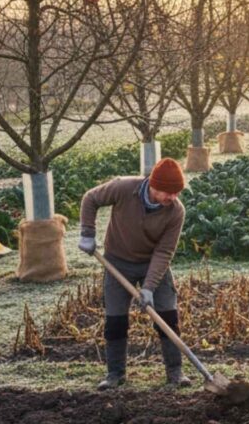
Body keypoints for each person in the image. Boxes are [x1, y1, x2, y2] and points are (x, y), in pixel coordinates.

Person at [77, 158, 189, 390]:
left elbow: (164, 251)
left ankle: (175, 372)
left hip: (152, 264)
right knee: (115, 320)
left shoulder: (176, 212)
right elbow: (91, 199)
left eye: (176, 193)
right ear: (153, 186)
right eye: (168, 193)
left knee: (168, 316)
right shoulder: (123, 188)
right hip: (117, 262)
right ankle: (115, 374)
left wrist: (149, 286)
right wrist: (87, 233)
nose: (173, 198)